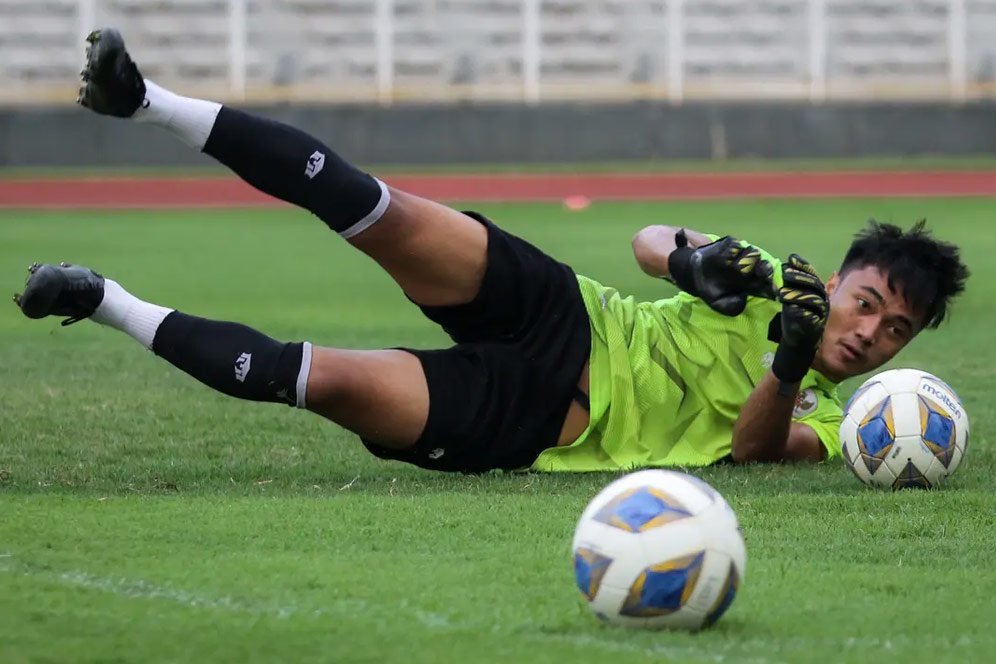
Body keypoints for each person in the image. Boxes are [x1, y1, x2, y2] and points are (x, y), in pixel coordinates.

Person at [14, 29, 969, 473]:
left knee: (316, 380)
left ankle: (103, 301)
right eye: (869, 303)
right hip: (566, 311)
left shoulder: (857, 425)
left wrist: (790, 358)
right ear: (841, 280)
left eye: (896, 331)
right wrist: (691, 262)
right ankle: (141, 101)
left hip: (541, 422)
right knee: (375, 208)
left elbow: (761, 451)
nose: (873, 333)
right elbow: (647, 241)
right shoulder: (777, 279)